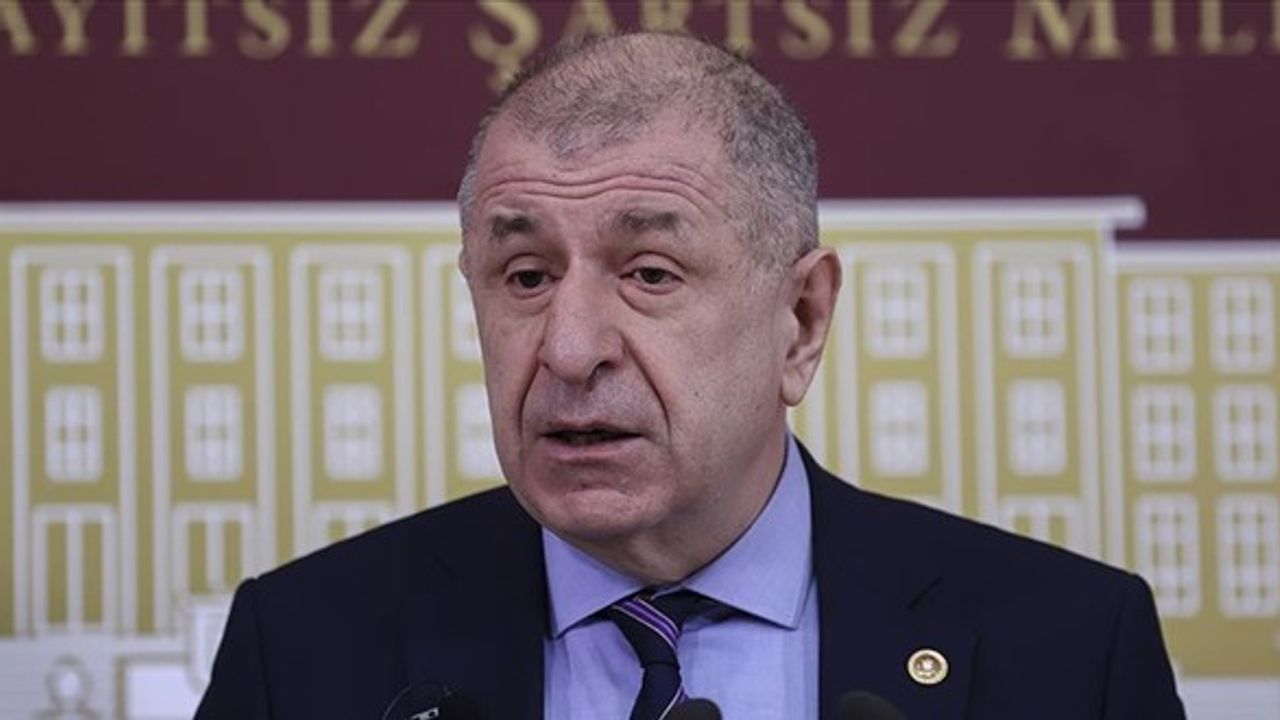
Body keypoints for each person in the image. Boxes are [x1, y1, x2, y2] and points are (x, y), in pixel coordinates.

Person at [196, 32, 1183, 719]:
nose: (569, 349)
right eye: (526, 276)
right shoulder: (306, 650)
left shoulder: (1067, 652)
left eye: (650, 274)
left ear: (801, 322)